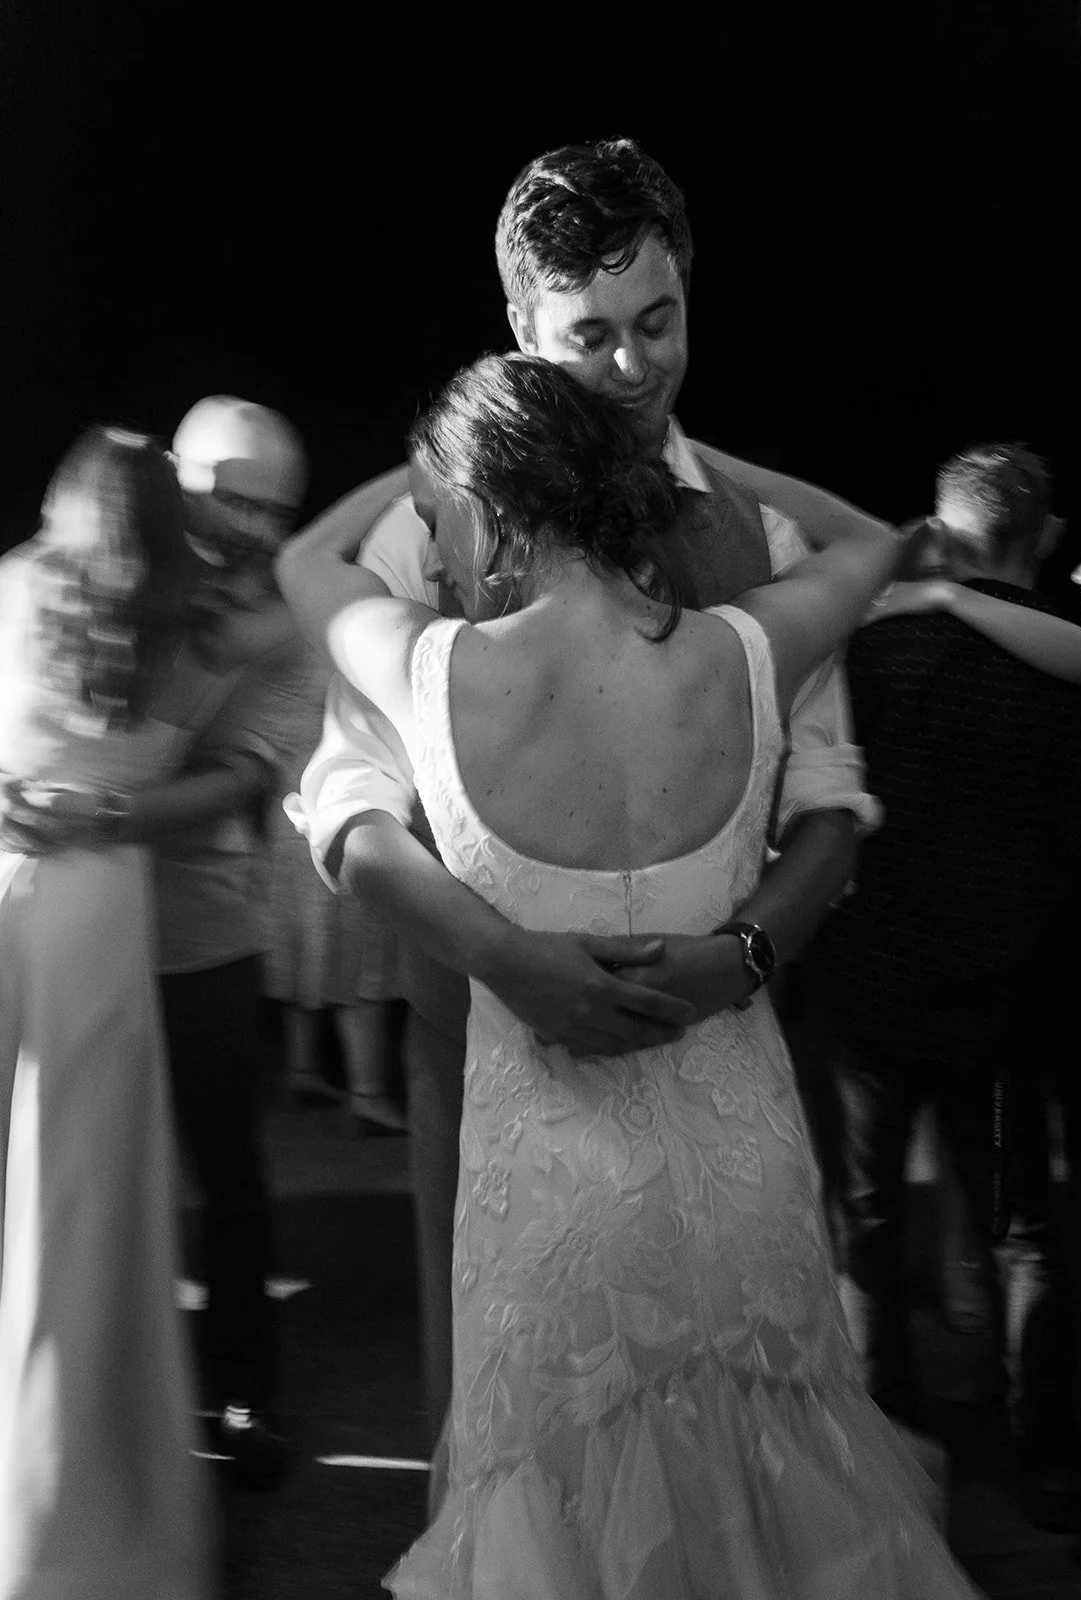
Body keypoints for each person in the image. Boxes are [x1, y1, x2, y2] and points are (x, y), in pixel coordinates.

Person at [278, 351, 979, 1598]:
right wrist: (650, 447)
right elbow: (877, 538)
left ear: (490, 506)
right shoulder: (747, 652)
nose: (436, 553)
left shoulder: (431, 670)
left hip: (553, 1211)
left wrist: (429, 455)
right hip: (741, 1182)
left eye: (440, 515)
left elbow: (302, 568)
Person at [289, 138, 885, 1468]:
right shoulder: (424, 535)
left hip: (727, 1082)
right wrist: (504, 958)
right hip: (497, 1094)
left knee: (750, 1459)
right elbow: (347, 807)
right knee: (523, 1476)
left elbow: (834, 802)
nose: (630, 368)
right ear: (519, 325)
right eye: (590, 334)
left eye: (658, 322)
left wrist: (741, 957)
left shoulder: (759, 532)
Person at [810, 444, 1081, 1522]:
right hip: (1005, 993)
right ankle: (1048, 1451)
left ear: (939, 532)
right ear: (1044, 537)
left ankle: (879, 1424)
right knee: (1019, 1224)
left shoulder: (878, 653)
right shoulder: (1073, 665)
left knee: (869, 1210)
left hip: (878, 977)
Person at [0, 428, 213, 1598]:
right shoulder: (180, 636)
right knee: (83, 1212)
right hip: (97, 910)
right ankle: (79, 1506)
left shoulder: (13, 588)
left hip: (9, 891)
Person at [155, 395, 312, 1484]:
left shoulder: (290, 618)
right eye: (226, 497)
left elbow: (246, 781)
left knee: (229, 1178)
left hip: (204, 931)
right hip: (80, 922)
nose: (243, 526)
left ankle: (241, 1390)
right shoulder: (105, 567)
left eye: (267, 508)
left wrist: (107, 803)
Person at [261, 638, 409, 1135]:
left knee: (306, 948)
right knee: (356, 957)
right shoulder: (344, 638)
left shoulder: (274, 634)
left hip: (285, 810)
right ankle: (367, 1093)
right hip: (333, 804)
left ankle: (303, 1070)